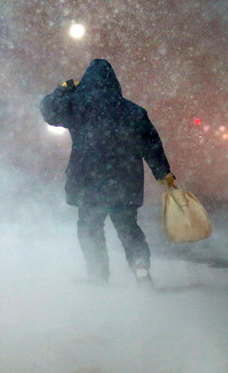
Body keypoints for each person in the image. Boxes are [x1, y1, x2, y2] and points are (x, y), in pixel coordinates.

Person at [40, 58, 176, 285]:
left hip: (87, 180)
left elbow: (47, 109)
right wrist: (164, 173)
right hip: (125, 179)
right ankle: (141, 269)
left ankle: (98, 274)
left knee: (90, 228)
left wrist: (63, 89)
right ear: (114, 82)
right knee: (128, 228)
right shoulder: (133, 111)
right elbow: (151, 145)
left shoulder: (76, 104)